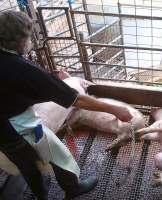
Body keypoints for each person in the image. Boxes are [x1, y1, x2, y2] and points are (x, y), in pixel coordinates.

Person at [0, 10, 133, 199]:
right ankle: (72, 187)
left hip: (3, 130)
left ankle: (40, 194)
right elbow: (75, 98)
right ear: (20, 39)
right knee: (56, 151)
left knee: (24, 162)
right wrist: (114, 109)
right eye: (28, 37)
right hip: (15, 126)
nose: (30, 41)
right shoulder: (24, 70)